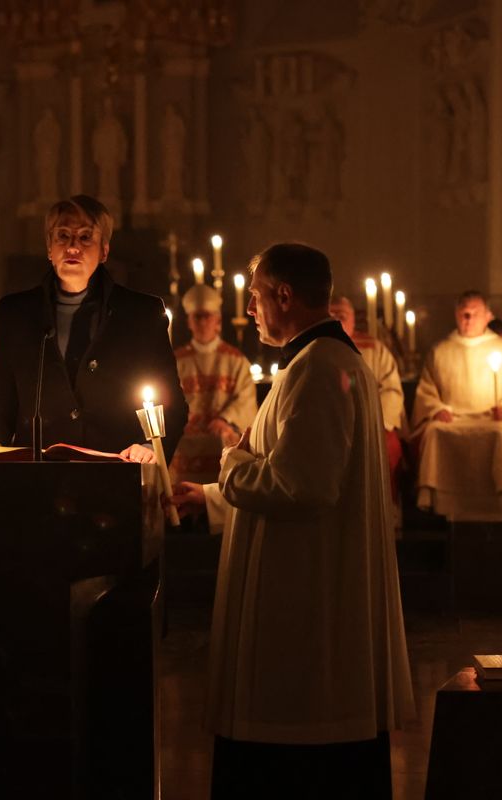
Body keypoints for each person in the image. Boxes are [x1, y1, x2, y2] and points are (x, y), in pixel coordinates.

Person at [171, 243, 413, 799]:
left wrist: (229, 464)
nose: (249, 310)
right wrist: (208, 496)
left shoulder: (321, 368)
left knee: (296, 757)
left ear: (284, 294)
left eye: (255, 297)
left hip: (307, 597)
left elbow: (304, 487)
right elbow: (295, 467)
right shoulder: (320, 362)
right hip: (311, 579)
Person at [0, 194, 187, 460]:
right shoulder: (16, 313)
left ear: (104, 251)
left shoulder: (140, 314)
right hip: (38, 474)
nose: (73, 247)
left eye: (85, 237)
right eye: (63, 236)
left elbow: (170, 401)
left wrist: (148, 449)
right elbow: (0, 399)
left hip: (115, 472)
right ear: (49, 247)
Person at [411, 290, 502, 517]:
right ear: (456, 315)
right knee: (434, 432)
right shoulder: (441, 351)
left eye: (474, 314)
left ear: (488, 316)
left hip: (491, 419)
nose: (468, 319)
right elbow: (426, 391)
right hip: (451, 419)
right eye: (463, 314)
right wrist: (436, 409)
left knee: (501, 434)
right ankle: (443, 506)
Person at [169, 284, 257, 485]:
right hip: (184, 451)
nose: (202, 322)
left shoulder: (236, 360)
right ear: (188, 321)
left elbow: (246, 399)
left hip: (221, 445)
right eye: (196, 317)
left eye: (206, 316)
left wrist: (226, 419)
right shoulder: (176, 361)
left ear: (217, 320)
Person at [330, 295, 406, 507]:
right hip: (331, 426)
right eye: (331, 315)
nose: (336, 320)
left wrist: (372, 420)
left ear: (353, 319)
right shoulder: (316, 347)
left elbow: (391, 389)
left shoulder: (374, 348)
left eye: (342, 315)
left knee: (387, 450)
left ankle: (383, 510)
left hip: (373, 424)